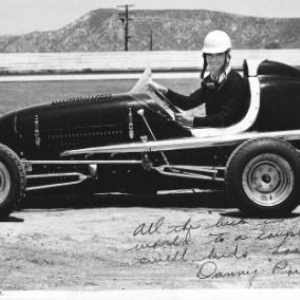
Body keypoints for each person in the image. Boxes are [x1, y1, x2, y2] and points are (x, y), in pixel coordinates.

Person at [149, 30, 249, 128]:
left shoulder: (235, 81)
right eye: (210, 56)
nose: (213, 60)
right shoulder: (212, 80)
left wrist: (193, 121)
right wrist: (164, 90)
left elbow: (226, 117)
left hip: (228, 133)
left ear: (227, 55)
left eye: (218, 55)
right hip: (216, 130)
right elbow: (188, 102)